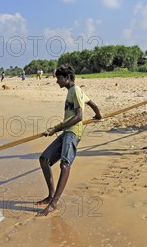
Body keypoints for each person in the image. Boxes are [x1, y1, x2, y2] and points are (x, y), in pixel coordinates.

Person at [36, 64, 102, 216]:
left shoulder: (76, 90)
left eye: (59, 78)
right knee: (44, 159)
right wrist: (98, 116)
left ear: (67, 78)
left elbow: (79, 116)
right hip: (66, 131)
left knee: (65, 165)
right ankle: (51, 195)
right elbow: (92, 104)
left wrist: (56, 128)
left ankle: (54, 204)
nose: (57, 81)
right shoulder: (73, 91)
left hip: (73, 132)